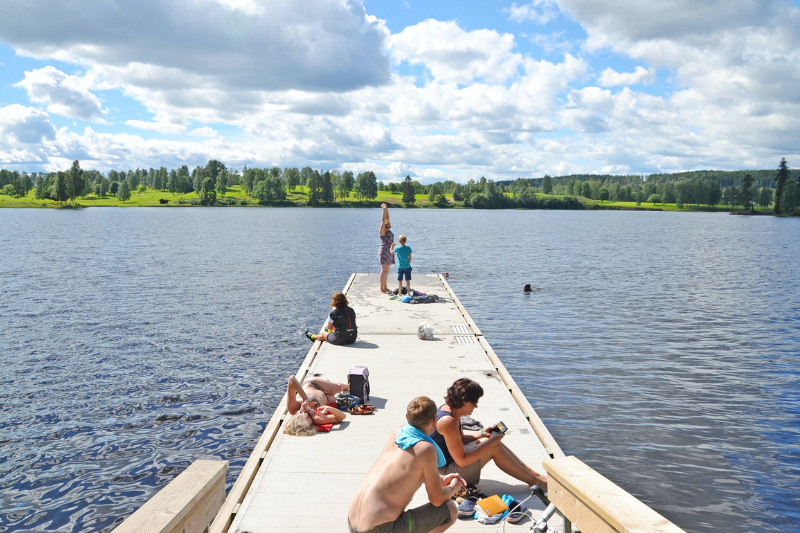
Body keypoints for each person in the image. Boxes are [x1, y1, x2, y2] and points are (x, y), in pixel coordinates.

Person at [348, 396, 464, 533]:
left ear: (407, 417)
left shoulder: (399, 432)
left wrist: (439, 479)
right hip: (379, 529)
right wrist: (453, 487)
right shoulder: (426, 449)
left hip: (353, 522)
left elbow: (404, 471)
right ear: (434, 421)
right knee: (449, 509)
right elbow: (437, 499)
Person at [430, 378, 548, 491]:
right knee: (492, 446)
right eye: (475, 402)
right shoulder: (448, 421)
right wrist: (491, 442)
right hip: (444, 475)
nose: (476, 406)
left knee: (491, 442)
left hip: (449, 462)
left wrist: (482, 433)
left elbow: (459, 440)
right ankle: (536, 482)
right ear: (464, 400)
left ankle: (536, 476)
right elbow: (462, 461)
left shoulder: (450, 410)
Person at [283, 375, 347, 435]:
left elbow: (292, 379)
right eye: (311, 418)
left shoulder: (293, 407)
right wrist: (328, 408)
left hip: (314, 384)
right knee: (333, 397)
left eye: (308, 414)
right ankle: (327, 385)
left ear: (298, 414)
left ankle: (348, 385)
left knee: (338, 387)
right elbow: (342, 417)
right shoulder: (316, 419)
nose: (312, 414)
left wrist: (305, 398)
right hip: (327, 398)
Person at [378, 203, 395, 294]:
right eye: (387, 227)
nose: (388, 228)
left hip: (389, 251)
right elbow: (383, 220)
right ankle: (381, 288)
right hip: (384, 251)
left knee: (387, 270)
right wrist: (383, 209)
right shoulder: (382, 231)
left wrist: (387, 208)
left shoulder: (387, 228)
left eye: (389, 226)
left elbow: (387, 219)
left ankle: (385, 287)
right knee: (384, 270)